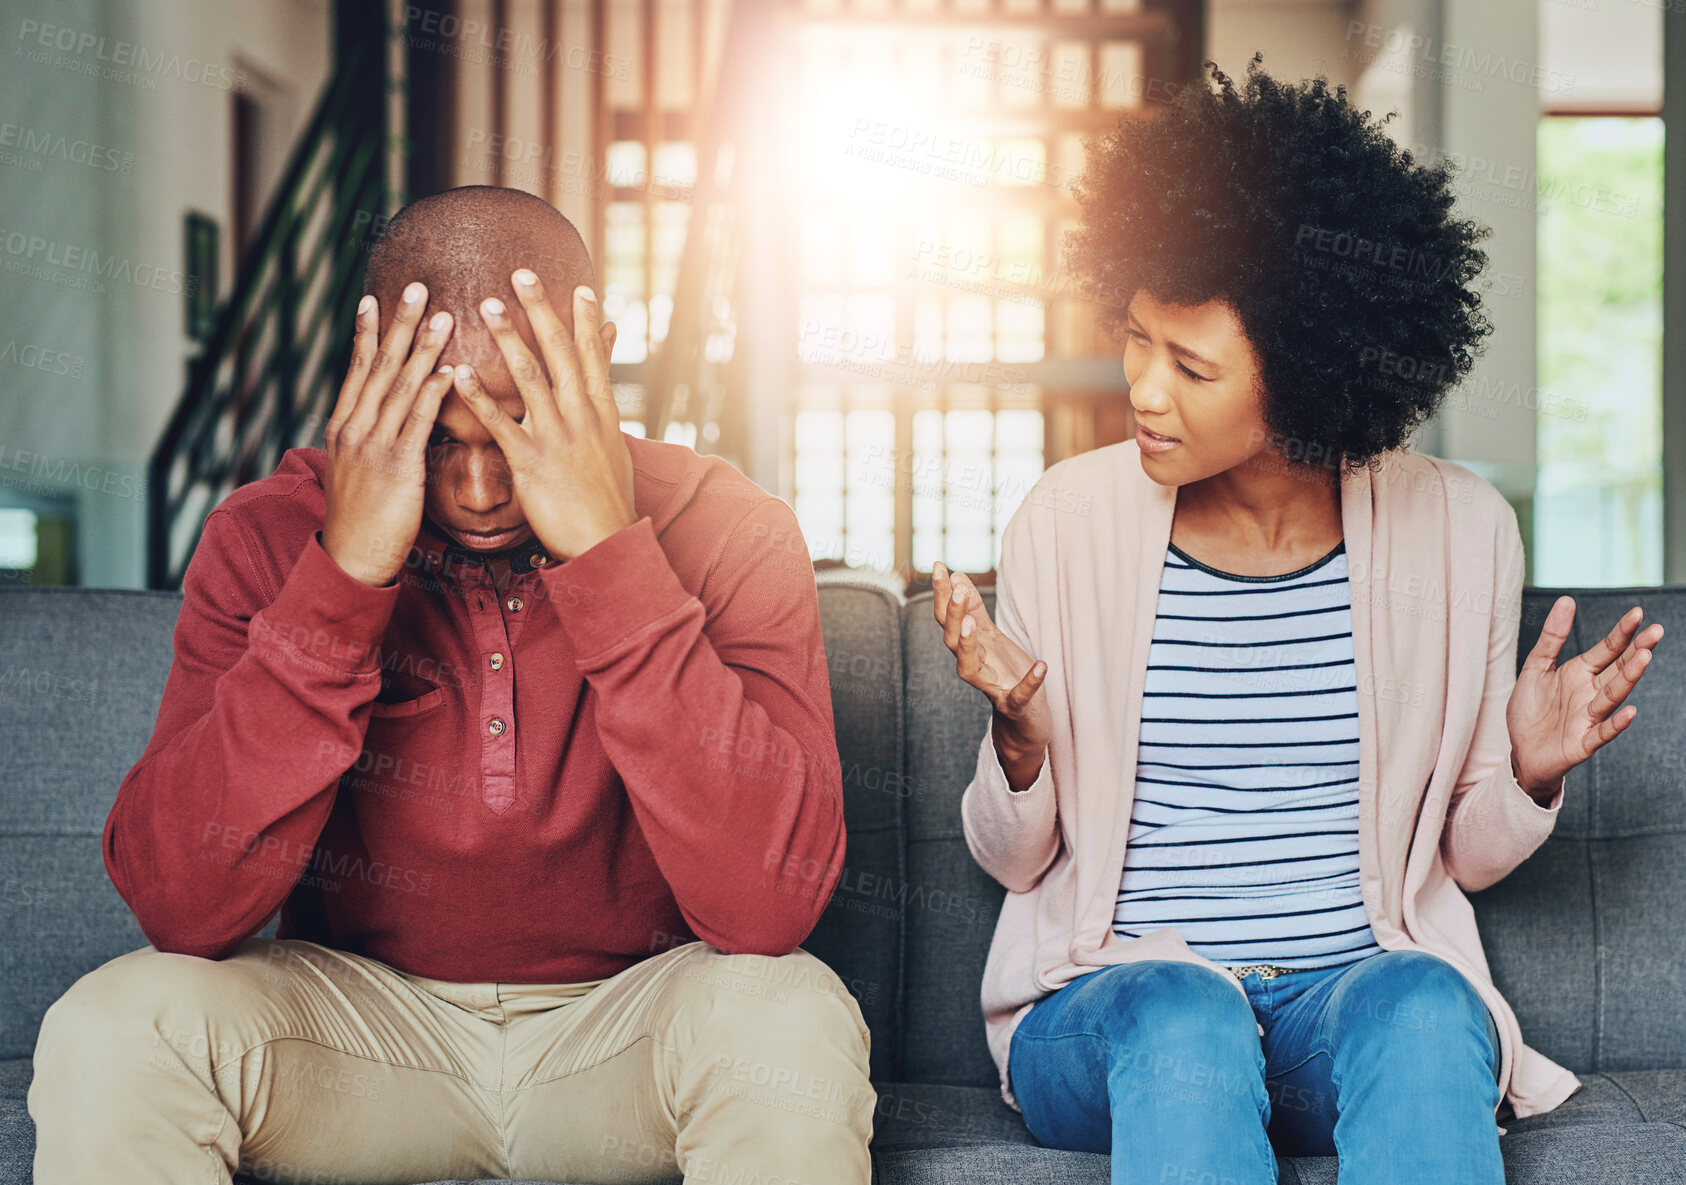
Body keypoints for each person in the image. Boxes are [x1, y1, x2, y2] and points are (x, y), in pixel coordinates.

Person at [30, 185, 874, 1185]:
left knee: (793, 1018)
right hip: (361, 1040)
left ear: (592, 362)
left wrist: (610, 555)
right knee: (114, 1027)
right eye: (437, 438)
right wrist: (343, 581)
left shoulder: (731, 529)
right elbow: (183, 905)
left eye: (517, 428)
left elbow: (767, 909)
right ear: (370, 375)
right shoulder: (265, 534)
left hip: (636, 1033)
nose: (478, 492)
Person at [931, 58, 1664, 1185]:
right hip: (1118, 1006)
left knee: (1425, 999)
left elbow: (1462, 859)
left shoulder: (1460, 534)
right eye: (1135, 338)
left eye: (1190, 363)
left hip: (1348, 1012)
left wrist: (1525, 768)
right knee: (1183, 1014)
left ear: (1312, 372)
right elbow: (1013, 856)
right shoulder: (1066, 524)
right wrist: (1018, 740)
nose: (1143, 389)